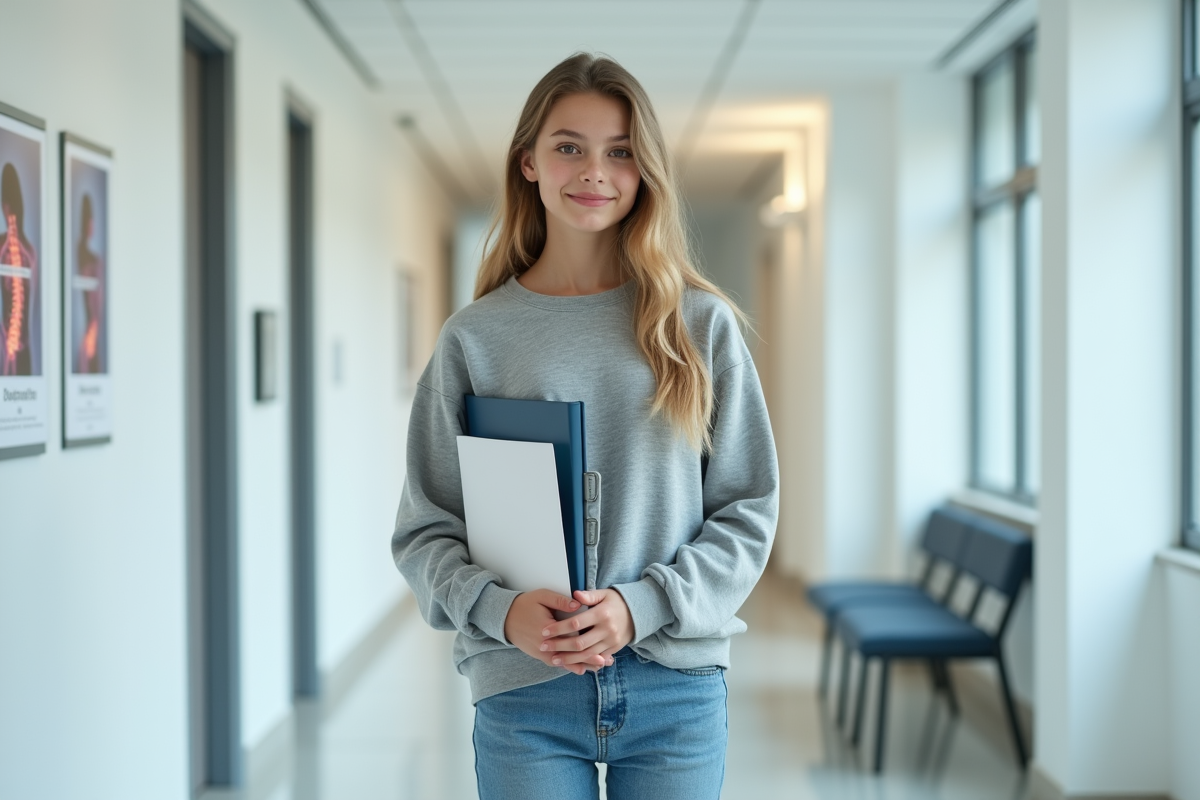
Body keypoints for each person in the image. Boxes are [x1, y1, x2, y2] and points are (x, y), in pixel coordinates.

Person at [391, 53, 779, 800]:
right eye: (569, 146)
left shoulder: (700, 327)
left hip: (677, 688)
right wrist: (502, 614)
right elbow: (424, 530)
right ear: (528, 162)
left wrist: (643, 605)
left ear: (646, 172)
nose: (594, 171)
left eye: (621, 152)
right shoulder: (476, 339)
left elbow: (749, 510)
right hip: (524, 690)